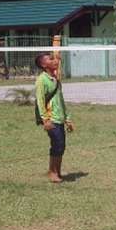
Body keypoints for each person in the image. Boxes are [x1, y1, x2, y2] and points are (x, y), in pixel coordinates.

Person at [34, 53, 75, 183]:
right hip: (51, 119)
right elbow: (40, 101)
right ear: (43, 64)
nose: (55, 61)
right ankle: (52, 172)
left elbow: (61, 100)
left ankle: (57, 170)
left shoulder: (56, 79)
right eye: (50, 59)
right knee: (57, 145)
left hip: (60, 118)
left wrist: (67, 118)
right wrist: (45, 119)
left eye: (54, 59)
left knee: (61, 146)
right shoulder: (42, 80)